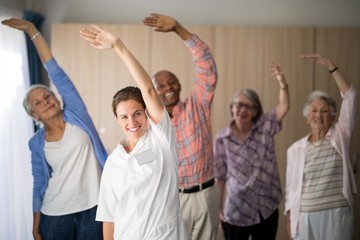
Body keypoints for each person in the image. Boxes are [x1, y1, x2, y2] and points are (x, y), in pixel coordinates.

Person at [80, 24, 189, 240]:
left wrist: (118, 46)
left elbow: (147, 88)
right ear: (117, 120)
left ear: (147, 112)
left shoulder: (161, 139)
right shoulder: (114, 161)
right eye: (124, 116)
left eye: (137, 113)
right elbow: (109, 217)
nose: (132, 121)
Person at [2, 18, 107, 240]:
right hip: (55, 213)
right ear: (35, 115)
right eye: (38, 102)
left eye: (47, 95)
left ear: (57, 98)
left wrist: (32, 30)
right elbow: (39, 183)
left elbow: (55, 72)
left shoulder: (76, 113)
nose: (46, 101)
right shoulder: (36, 143)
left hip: (94, 207)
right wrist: (35, 224)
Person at [143, 13, 220, 240]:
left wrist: (178, 29)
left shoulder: (198, 106)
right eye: (161, 85)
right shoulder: (150, 125)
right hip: (173, 198)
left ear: (180, 84)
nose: (169, 87)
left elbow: (207, 66)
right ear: (153, 93)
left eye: (172, 81)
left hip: (206, 193)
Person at [213, 62, 290, 240]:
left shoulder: (265, 127)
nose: (243, 110)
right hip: (235, 208)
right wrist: (217, 208)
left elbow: (284, 106)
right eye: (239, 105)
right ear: (232, 107)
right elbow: (220, 176)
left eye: (249, 106)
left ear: (256, 111)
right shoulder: (222, 138)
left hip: (266, 206)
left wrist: (282, 82)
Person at [285, 54, 358, 240]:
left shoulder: (340, 135)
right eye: (314, 110)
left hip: (336, 213)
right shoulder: (295, 149)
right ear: (306, 117)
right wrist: (289, 219)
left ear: (332, 116)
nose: (319, 115)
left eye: (324, 111)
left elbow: (350, 97)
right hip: (305, 214)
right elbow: (290, 189)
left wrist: (331, 66)